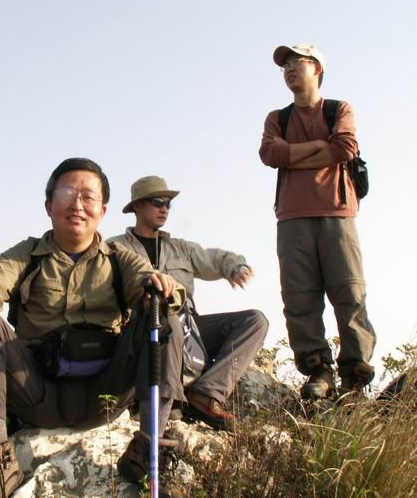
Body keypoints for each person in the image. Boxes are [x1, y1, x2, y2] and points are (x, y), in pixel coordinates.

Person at [0, 158, 186, 497]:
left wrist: (158, 290)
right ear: (49, 205)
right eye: (67, 193)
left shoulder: (118, 257)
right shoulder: (27, 255)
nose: (77, 205)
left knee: (162, 318)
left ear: (102, 211)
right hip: (36, 391)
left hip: (106, 392)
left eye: (88, 196)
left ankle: (147, 456)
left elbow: (148, 281)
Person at [259, 44, 376, 399]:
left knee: (349, 291)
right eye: (285, 65)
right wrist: (317, 148)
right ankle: (318, 371)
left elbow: (344, 148)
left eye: (298, 62)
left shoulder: (338, 109)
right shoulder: (277, 118)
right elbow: (270, 154)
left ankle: (354, 377)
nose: (289, 69)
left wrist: (292, 156)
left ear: (317, 68)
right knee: (299, 298)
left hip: (336, 212)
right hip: (291, 217)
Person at [108, 176, 268, 431]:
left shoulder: (180, 248)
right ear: (137, 206)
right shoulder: (115, 247)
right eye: (157, 202)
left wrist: (235, 266)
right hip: (140, 329)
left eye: (168, 204)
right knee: (165, 320)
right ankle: (163, 402)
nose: (164, 209)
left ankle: (205, 394)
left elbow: (214, 258)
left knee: (255, 321)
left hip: (187, 327)